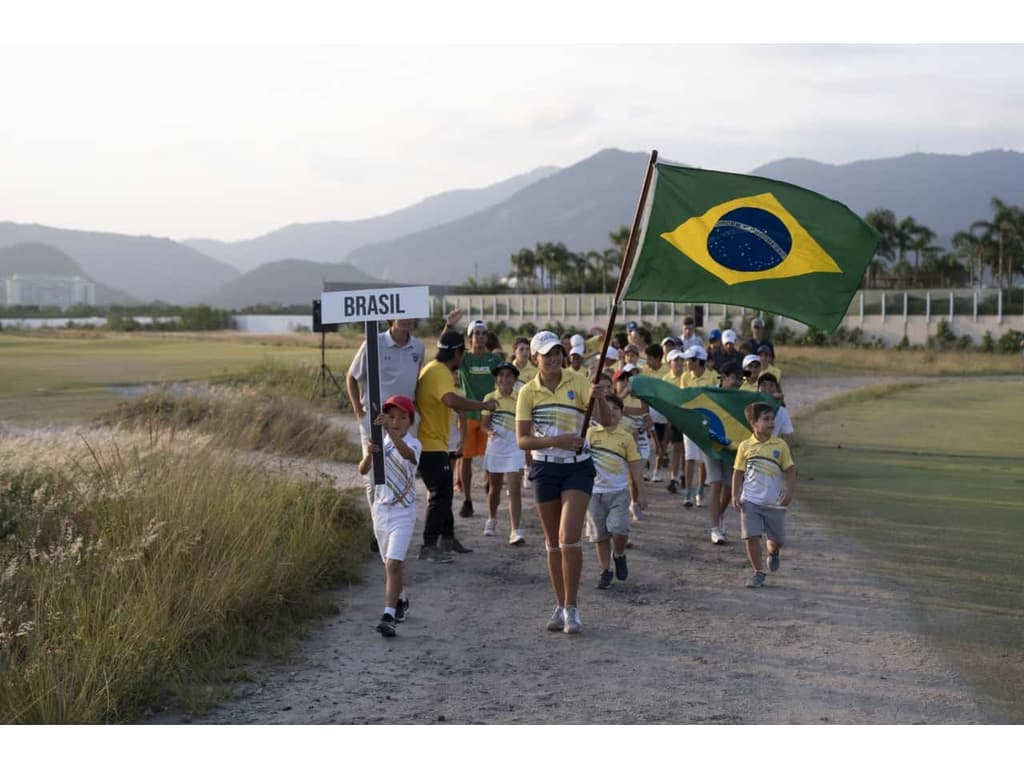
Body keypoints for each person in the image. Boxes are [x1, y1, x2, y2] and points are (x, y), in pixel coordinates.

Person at [516, 330, 610, 635]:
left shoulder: (580, 381)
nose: (554, 357)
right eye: (547, 353)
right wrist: (557, 440)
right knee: (553, 543)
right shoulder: (528, 392)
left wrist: (600, 399)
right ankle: (559, 604)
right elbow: (522, 440)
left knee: (569, 536)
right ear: (535, 358)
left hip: (578, 469)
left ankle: (572, 607)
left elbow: (606, 421)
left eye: (557, 351)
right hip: (545, 470)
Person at [414, 331, 499, 562]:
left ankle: (448, 538)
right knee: (440, 495)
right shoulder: (440, 372)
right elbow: (450, 400)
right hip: (431, 445)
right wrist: (483, 404)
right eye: (463, 353)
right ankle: (429, 546)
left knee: (445, 492)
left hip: (436, 443)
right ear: (457, 353)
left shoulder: (433, 369)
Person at [346, 318, 425, 512]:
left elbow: (415, 380)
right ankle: (377, 526)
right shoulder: (373, 343)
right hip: (376, 418)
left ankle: (398, 519)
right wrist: (358, 410)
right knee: (373, 475)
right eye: (401, 317)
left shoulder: (419, 347)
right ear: (391, 320)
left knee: (402, 469)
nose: (406, 321)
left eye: (410, 317)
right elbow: (351, 376)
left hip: (405, 419)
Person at [358, 395, 421, 638]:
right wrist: (368, 454)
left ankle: (388, 616)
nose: (396, 422)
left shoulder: (414, 444)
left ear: (410, 420)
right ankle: (401, 599)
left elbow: (406, 455)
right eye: (392, 417)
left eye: (402, 418)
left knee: (394, 564)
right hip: (380, 510)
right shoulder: (380, 443)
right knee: (389, 566)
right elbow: (363, 470)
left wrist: (388, 432)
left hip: (403, 511)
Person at [732, 401, 796, 589]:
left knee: (777, 541)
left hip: (773, 503)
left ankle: (773, 552)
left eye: (772, 419)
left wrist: (790, 493)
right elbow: (738, 472)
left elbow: (790, 470)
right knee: (751, 537)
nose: (771, 423)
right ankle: (758, 572)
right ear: (753, 423)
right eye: (766, 419)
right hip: (750, 500)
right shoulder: (745, 446)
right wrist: (734, 495)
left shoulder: (780, 445)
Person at [586, 393, 646, 590]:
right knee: (600, 535)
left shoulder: (626, 437)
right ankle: (605, 571)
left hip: (618, 492)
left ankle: (619, 554)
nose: (610, 412)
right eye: (606, 407)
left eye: (615, 409)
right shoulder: (589, 434)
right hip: (594, 493)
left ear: (622, 413)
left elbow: (635, 464)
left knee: (619, 530)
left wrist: (641, 491)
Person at [455, 319, 505, 519]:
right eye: (476, 333)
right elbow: (446, 349)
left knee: (490, 457)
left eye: (483, 333)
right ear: (470, 338)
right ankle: (467, 499)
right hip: (468, 416)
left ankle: (489, 489)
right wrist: (449, 326)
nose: (480, 337)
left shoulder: (493, 359)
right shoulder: (464, 359)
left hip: (488, 417)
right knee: (465, 459)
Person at [481, 361, 527, 545]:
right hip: (496, 448)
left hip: (515, 448)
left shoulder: (521, 398)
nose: (504, 378)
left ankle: (516, 530)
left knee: (515, 489)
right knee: (495, 488)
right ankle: (492, 519)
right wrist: (489, 432)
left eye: (508, 375)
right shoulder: (490, 397)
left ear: (515, 379)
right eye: (501, 375)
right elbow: (484, 424)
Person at [705, 360, 742, 545]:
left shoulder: (740, 397)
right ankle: (714, 528)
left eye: (741, 379)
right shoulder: (711, 393)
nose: (738, 382)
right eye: (736, 378)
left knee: (729, 486)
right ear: (725, 377)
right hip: (712, 445)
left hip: (732, 447)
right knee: (716, 483)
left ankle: (718, 517)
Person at [612, 367, 652, 512]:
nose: (625, 382)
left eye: (627, 379)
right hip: (619, 442)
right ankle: (631, 502)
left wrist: (642, 428)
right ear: (614, 384)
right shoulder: (612, 399)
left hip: (640, 441)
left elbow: (648, 420)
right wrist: (624, 394)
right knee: (628, 476)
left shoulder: (640, 399)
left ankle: (634, 503)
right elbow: (613, 409)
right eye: (621, 380)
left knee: (637, 473)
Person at [681, 345, 715, 508]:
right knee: (689, 458)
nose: (686, 362)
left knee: (702, 459)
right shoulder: (685, 377)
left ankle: (700, 490)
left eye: (689, 360)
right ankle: (688, 492)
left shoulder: (713, 377)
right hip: (689, 421)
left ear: (698, 361)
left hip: (707, 423)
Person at [642, 343, 668, 482]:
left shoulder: (667, 371)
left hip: (662, 414)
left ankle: (657, 471)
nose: (647, 362)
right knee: (649, 443)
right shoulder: (644, 370)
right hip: (648, 412)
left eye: (650, 359)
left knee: (662, 443)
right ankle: (646, 469)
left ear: (658, 358)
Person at [662, 348, 687, 494]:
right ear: (670, 362)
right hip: (674, 416)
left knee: (686, 448)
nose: (679, 363)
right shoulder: (666, 379)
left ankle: (684, 474)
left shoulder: (686, 376)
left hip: (687, 416)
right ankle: (674, 477)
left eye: (681, 360)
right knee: (677, 447)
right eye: (676, 360)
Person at [757, 372, 794, 445]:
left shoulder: (781, 411)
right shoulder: (751, 407)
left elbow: (787, 437)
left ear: (777, 388)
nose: (767, 388)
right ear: (758, 388)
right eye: (763, 385)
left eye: (771, 385)